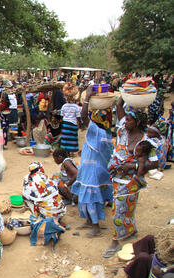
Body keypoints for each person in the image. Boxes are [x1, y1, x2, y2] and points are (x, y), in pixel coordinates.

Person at [105, 99, 159, 258]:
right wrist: (126, 92)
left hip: (132, 180)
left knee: (120, 210)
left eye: (129, 120)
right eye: (125, 119)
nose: (125, 122)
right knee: (124, 208)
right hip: (117, 177)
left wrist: (133, 166)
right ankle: (130, 231)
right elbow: (119, 106)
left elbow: (155, 162)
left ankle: (115, 241)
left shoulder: (145, 141)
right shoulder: (122, 130)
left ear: (137, 122)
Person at [70, 86, 114, 238]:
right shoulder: (106, 134)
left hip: (92, 172)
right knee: (89, 197)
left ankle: (96, 227)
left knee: (90, 198)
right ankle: (89, 221)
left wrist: (87, 97)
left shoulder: (96, 130)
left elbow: (83, 117)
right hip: (94, 170)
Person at [60, 84, 81, 154]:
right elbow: (78, 117)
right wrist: (79, 125)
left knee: (65, 138)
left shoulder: (64, 106)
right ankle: (72, 152)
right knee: (73, 138)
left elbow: (62, 115)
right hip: (73, 124)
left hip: (65, 124)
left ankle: (66, 152)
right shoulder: (76, 107)